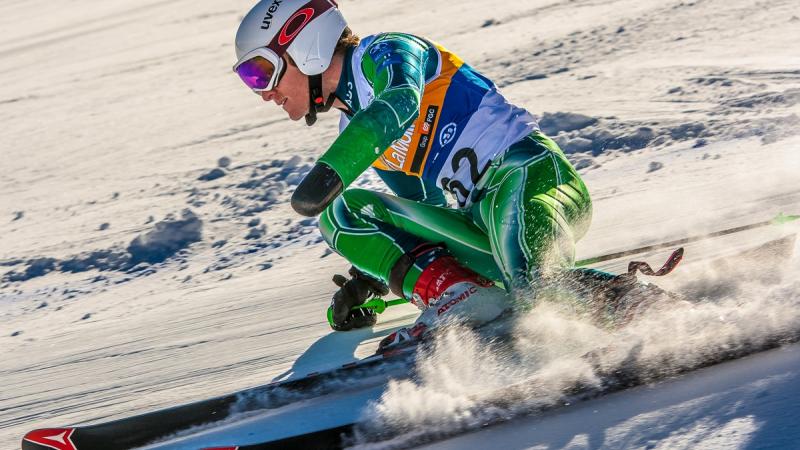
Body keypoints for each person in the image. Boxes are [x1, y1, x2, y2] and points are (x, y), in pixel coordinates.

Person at [233, 0, 596, 350]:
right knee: (341, 215)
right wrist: (370, 280)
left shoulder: (385, 51)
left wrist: (333, 170)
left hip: (533, 179)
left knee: (540, 296)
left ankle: (641, 323)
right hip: (484, 224)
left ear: (304, 44)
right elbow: (418, 208)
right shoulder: (357, 127)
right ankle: (460, 294)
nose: (264, 94)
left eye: (260, 72)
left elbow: (401, 100)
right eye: (251, 80)